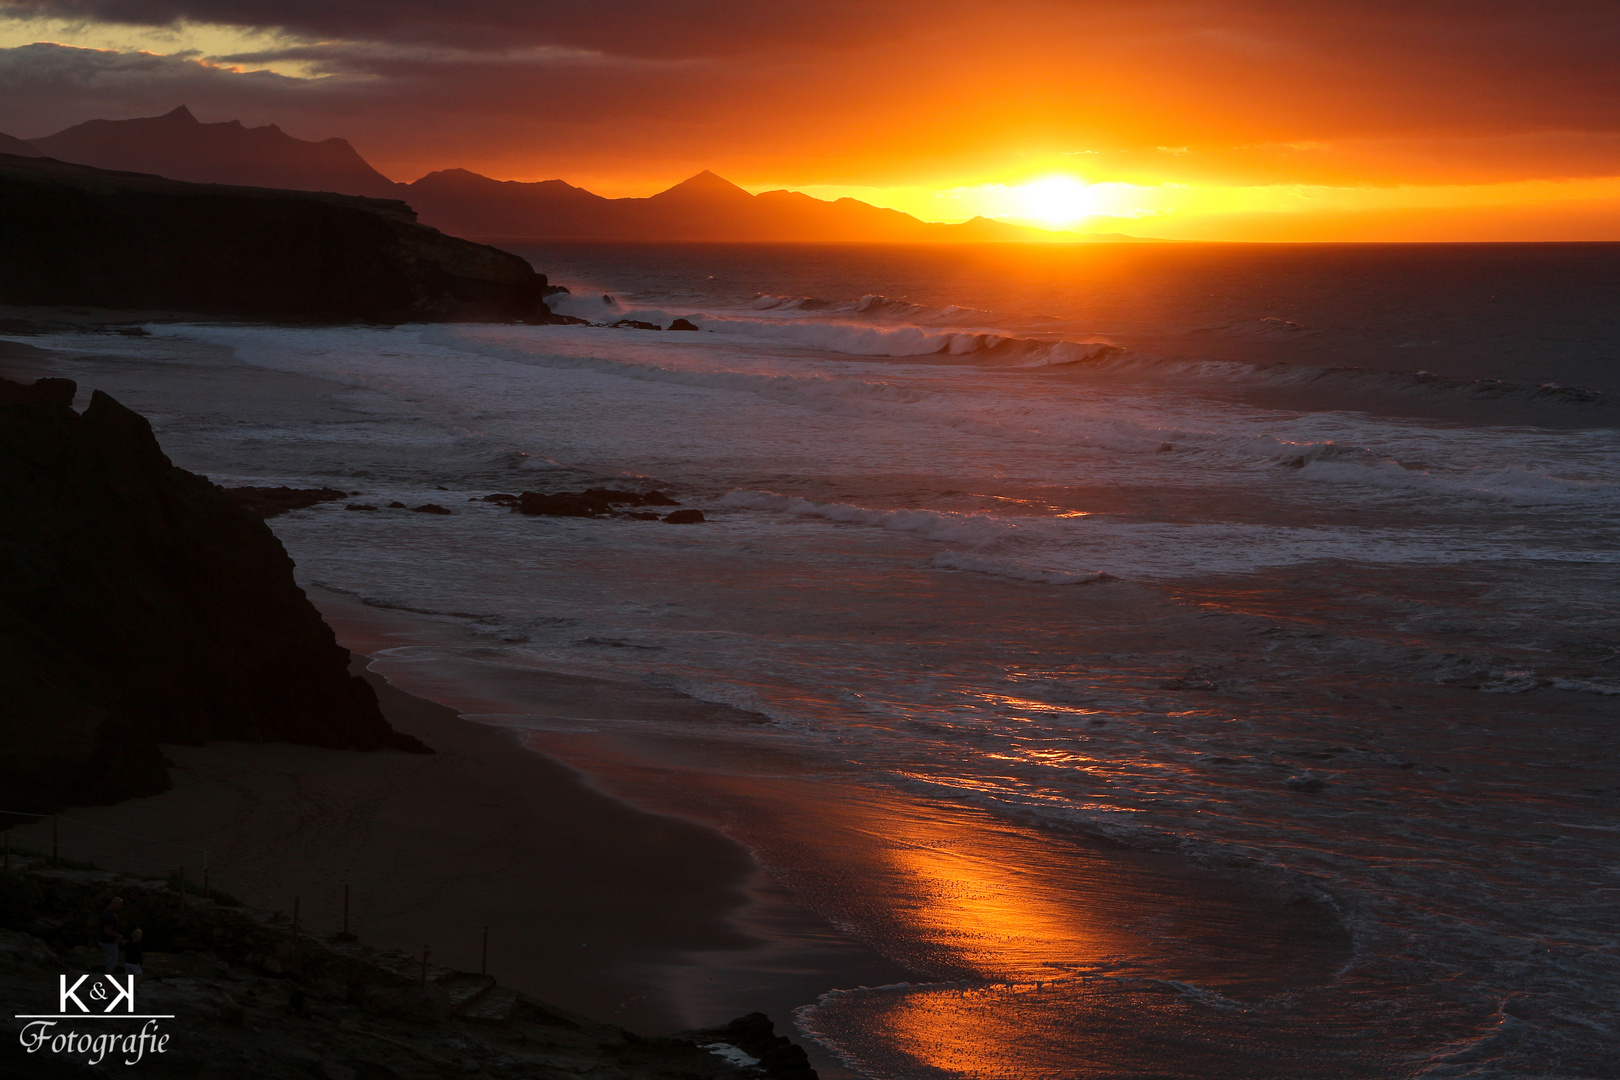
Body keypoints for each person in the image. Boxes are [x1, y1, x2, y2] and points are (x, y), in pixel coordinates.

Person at [97, 896, 123, 973]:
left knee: (109, 960)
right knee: (111, 963)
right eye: (119, 905)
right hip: (107, 942)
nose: (120, 907)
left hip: (102, 939)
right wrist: (118, 936)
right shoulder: (109, 915)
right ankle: (107, 983)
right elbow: (107, 931)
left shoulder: (106, 911)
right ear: (113, 903)